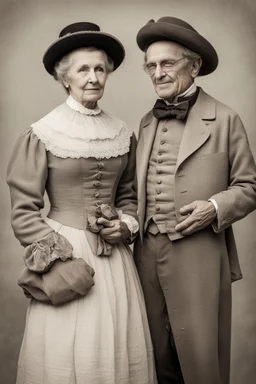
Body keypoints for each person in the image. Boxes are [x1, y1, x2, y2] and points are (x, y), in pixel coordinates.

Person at [7, 22, 156, 384]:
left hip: (114, 257)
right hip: (64, 252)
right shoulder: (43, 132)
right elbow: (24, 211)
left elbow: (129, 196)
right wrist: (59, 261)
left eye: (100, 69)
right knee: (66, 351)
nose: (93, 77)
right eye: (83, 69)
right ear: (65, 77)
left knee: (116, 348)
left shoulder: (122, 133)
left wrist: (124, 224)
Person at [134, 16, 256, 384]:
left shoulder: (226, 120)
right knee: (155, 356)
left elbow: (249, 187)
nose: (157, 73)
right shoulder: (145, 122)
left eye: (167, 63)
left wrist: (214, 207)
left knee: (201, 361)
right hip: (144, 255)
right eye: (151, 66)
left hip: (199, 254)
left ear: (194, 65)